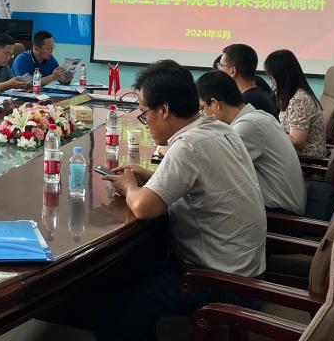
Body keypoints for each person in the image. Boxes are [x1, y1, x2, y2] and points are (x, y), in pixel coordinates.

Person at [102, 60, 266, 339]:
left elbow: (143, 208)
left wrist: (129, 186)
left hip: (217, 283)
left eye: (144, 114)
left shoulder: (188, 145)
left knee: (113, 308)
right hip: (246, 274)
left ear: (164, 110)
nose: (145, 123)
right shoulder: (219, 129)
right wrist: (150, 176)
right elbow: (200, 180)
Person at [197, 70, 307, 215]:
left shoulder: (247, 127)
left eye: (202, 109)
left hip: (280, 213)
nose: (203, 115)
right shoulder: (257, 116)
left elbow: (210, 169)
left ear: (215, 104)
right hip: (284, 201)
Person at [265, 49, 327, 158]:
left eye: (271, 76)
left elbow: (297, 141)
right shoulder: (291, 95)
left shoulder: (299, 100)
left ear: (281, 76)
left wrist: (271, 133)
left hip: (306, 159)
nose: (270, 80)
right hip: (292, 155)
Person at [217, 44, 278, 118]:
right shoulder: (263, 95)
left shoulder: (244, 103)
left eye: (221, 66)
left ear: (232, 71)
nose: (219, 71)